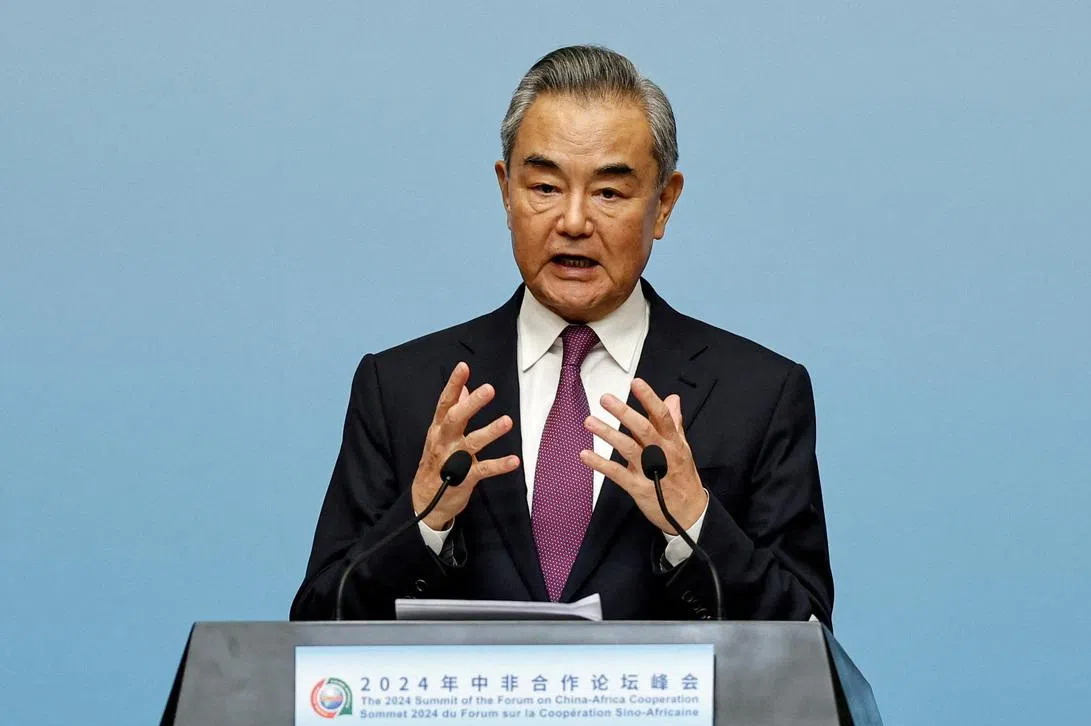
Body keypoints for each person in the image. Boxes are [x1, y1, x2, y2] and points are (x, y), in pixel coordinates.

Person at [290, 45, 833, 624]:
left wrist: (694, 521)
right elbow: (319, 622)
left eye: (609, 192)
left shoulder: (759, 394)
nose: (573, 222)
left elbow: (807, 637)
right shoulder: (402, 388)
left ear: (664, 203)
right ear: (505, 191)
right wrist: (422, 521)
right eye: (545, 188)